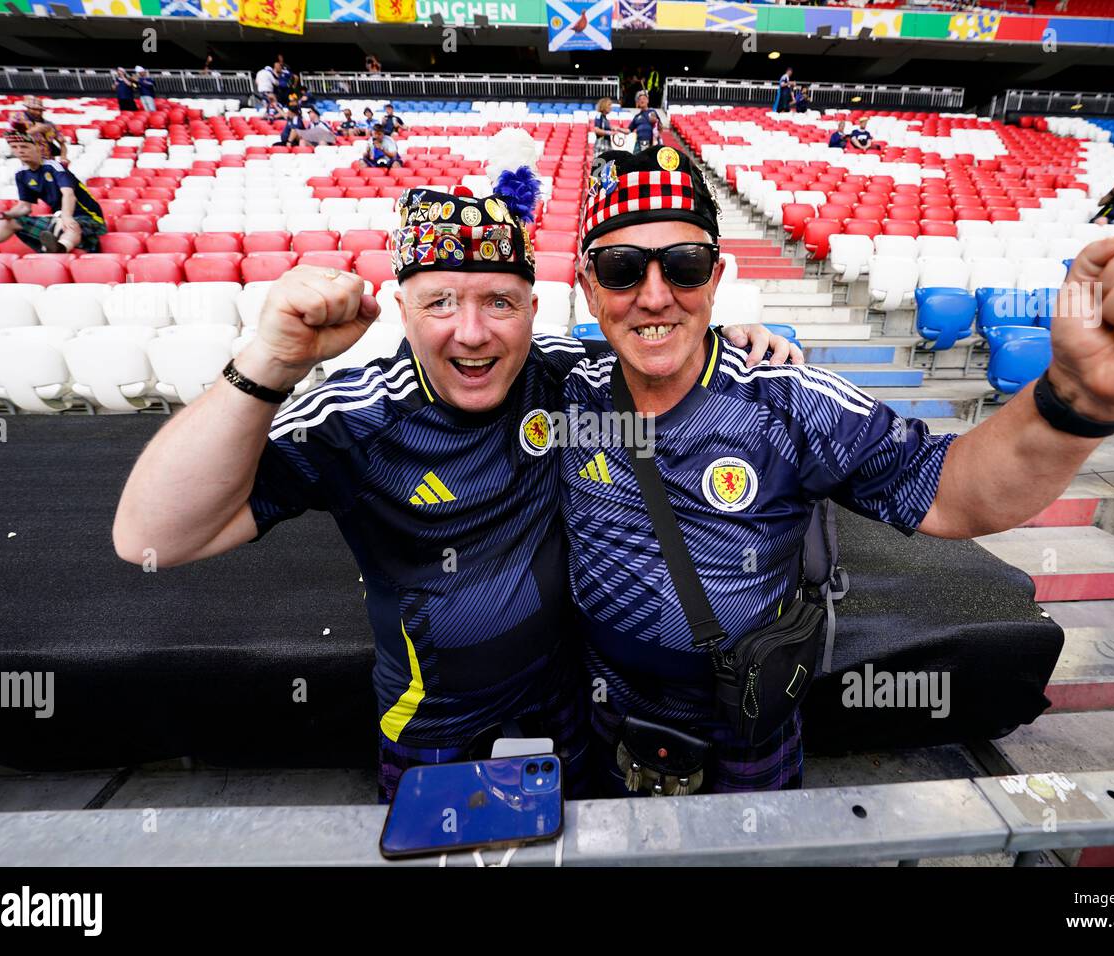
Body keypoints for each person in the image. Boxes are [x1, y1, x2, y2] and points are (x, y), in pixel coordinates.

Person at [110, 145, 798, 802]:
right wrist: (268, 362)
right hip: (438, 730)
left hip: (568, 705)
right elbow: (153, 537)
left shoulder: (565, 379)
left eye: (499, 301)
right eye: (440, 302)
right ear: (401, 310)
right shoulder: (355, 419)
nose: (472, 332)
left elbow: (654, 338)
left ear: (533, 311)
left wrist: (734, 343)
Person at [561, 145, 1114, 795]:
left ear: (716, 277)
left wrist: (1076, 398)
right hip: (602, 711)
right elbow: (468, 347)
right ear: (589, 288)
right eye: (621, 268)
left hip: (746, 715)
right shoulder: (559, 388)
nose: (654, 295)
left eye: (683, 264)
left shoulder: (791, 401)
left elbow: (951, 490)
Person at [0, 131, 106, 256]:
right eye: (15, 147)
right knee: (12, 221)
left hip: (89, 217)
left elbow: (68, 194)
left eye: (24, 146)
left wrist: (66, 216)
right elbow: (24, 207)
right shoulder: (21, 174)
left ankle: (60, 247)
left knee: (69, 225)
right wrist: (5, 215)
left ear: (38, 148)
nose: (19, 151)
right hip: (59, 217)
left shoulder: (55, 167)